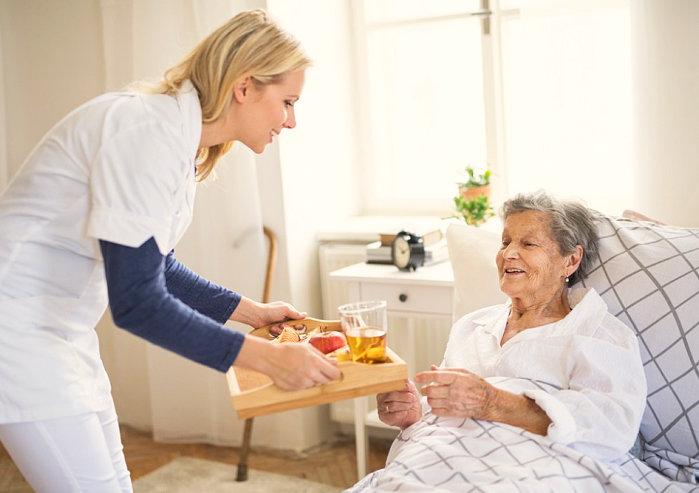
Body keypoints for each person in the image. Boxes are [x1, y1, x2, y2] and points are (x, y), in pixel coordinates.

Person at [0, 9, 340, 493]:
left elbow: (155, 263)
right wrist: (265, 358)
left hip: (61, 330)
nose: (291, 121)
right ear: (244, 87)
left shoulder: (175, 139)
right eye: (287, 102)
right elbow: (138, 303)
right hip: (17, 333)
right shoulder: (147, 134)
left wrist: (250, 312)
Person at [349, 191, 650, 492]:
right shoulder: (471, 326)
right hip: (435, 461)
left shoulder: (598, 333)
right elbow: (446, 412)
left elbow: (612, 428)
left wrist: (493, 402)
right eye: (505, 242)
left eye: (527, 243)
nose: (508, 253)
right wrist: (414, 413)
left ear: (570, 261)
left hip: (525, 473)